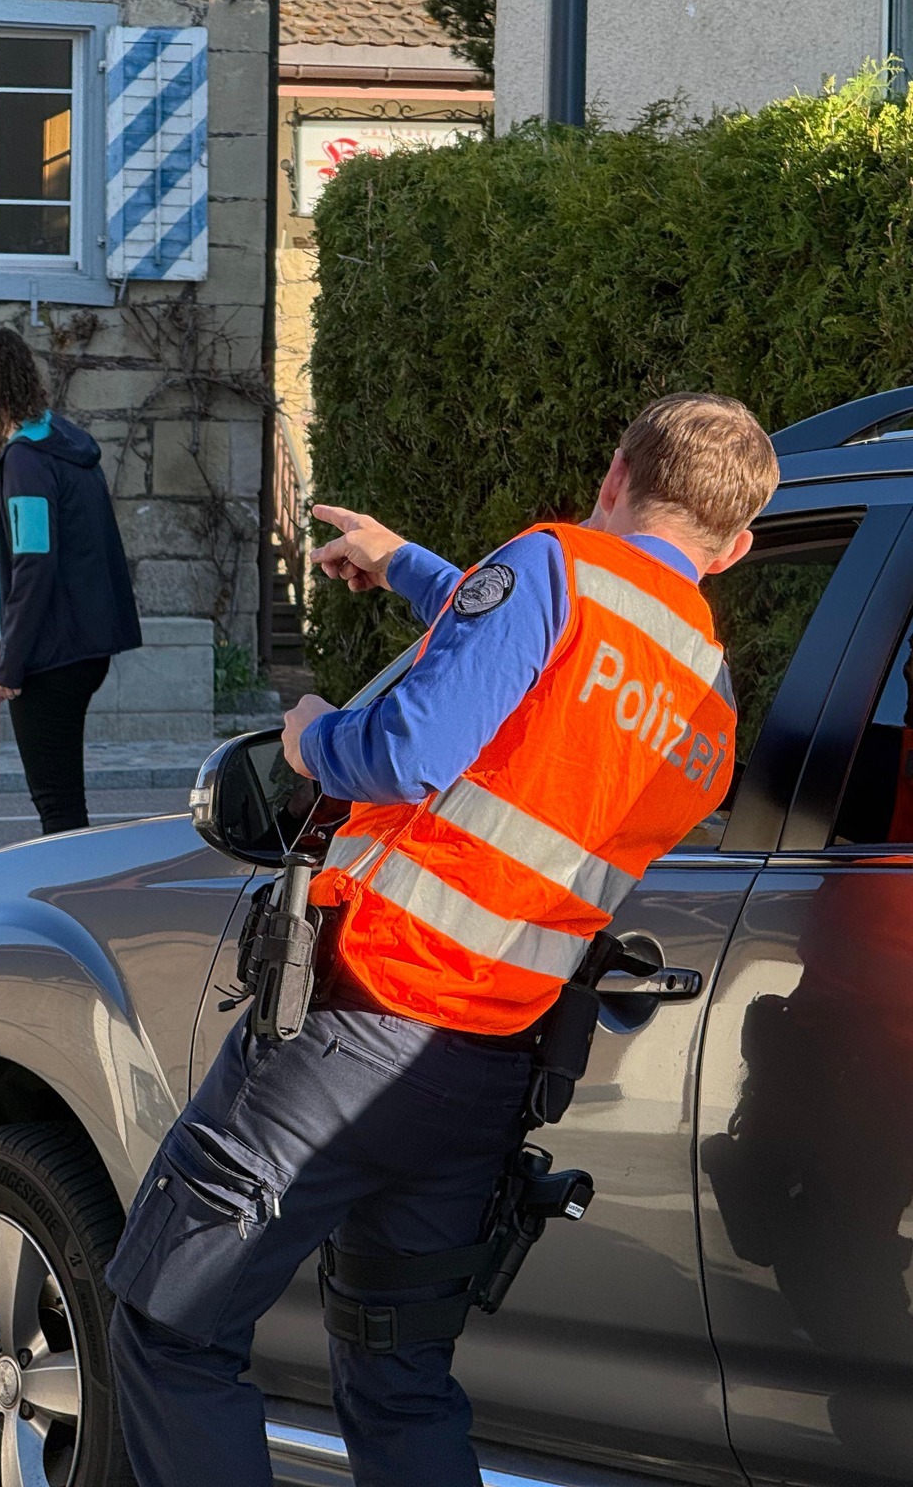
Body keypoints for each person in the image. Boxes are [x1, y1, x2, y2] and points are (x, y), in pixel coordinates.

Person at [106, 393, 780, 1486]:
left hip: (356, 1022)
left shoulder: (557, 565)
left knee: (172, 1324)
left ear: (614, 475)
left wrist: (313, 733)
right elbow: (556, 685)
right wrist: (410, 565)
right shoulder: (707, 701)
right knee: (400, 1378)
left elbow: (413, 749)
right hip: (484, 1074)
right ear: (737, 548)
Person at [0, 327, 142, 834]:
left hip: (49, 656)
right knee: (65, 799)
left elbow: (33, 561)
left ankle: (75, 904)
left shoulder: (25, 460)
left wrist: (10, 660)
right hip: (87, 648)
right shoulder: (67, 444)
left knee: (58, 805)